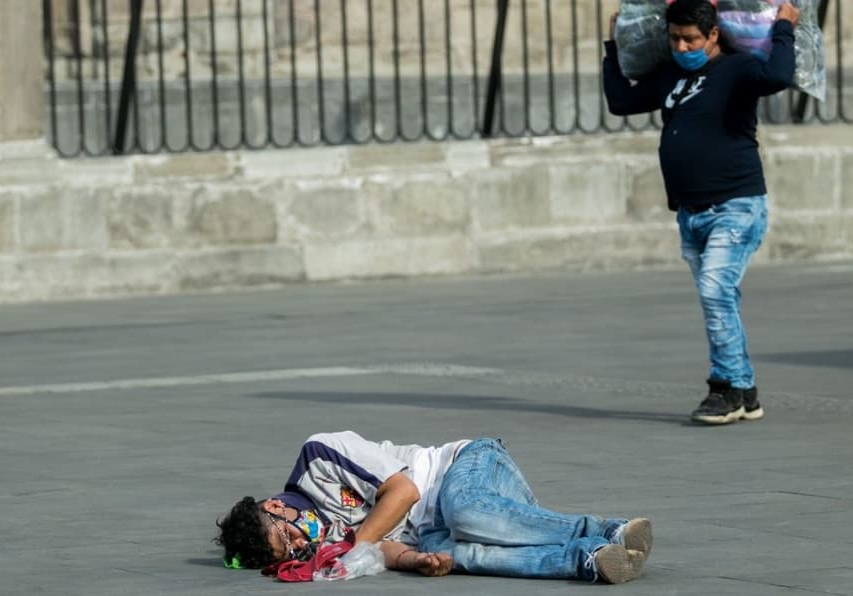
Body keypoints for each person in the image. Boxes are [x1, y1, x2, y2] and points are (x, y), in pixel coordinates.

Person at [603, 0, 800, 425]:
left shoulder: (737, 69)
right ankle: (745, 392)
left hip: (737, 203)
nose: (682, 45)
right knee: (719, 300)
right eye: (675, 38)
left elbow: (779, 75)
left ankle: (723, 389)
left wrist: (784, 27)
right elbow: (621, 101)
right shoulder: (671, 75)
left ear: (713, 35)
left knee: (715, 292)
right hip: (691, 212)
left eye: (691, 38)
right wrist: (611, 44)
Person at [215, 430, 653, 583]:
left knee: (466, 514)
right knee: (463, 555)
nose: (298, 545)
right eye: (289, 552)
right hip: (431, 528)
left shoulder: (320, 455)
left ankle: (608, 529)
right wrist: (416, 560)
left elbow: (403, 492)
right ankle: (590, 560)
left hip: (466, 468)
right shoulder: (315, 545)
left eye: (285, 535)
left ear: (276, 506)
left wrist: (353, 550)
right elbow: (383, 549)